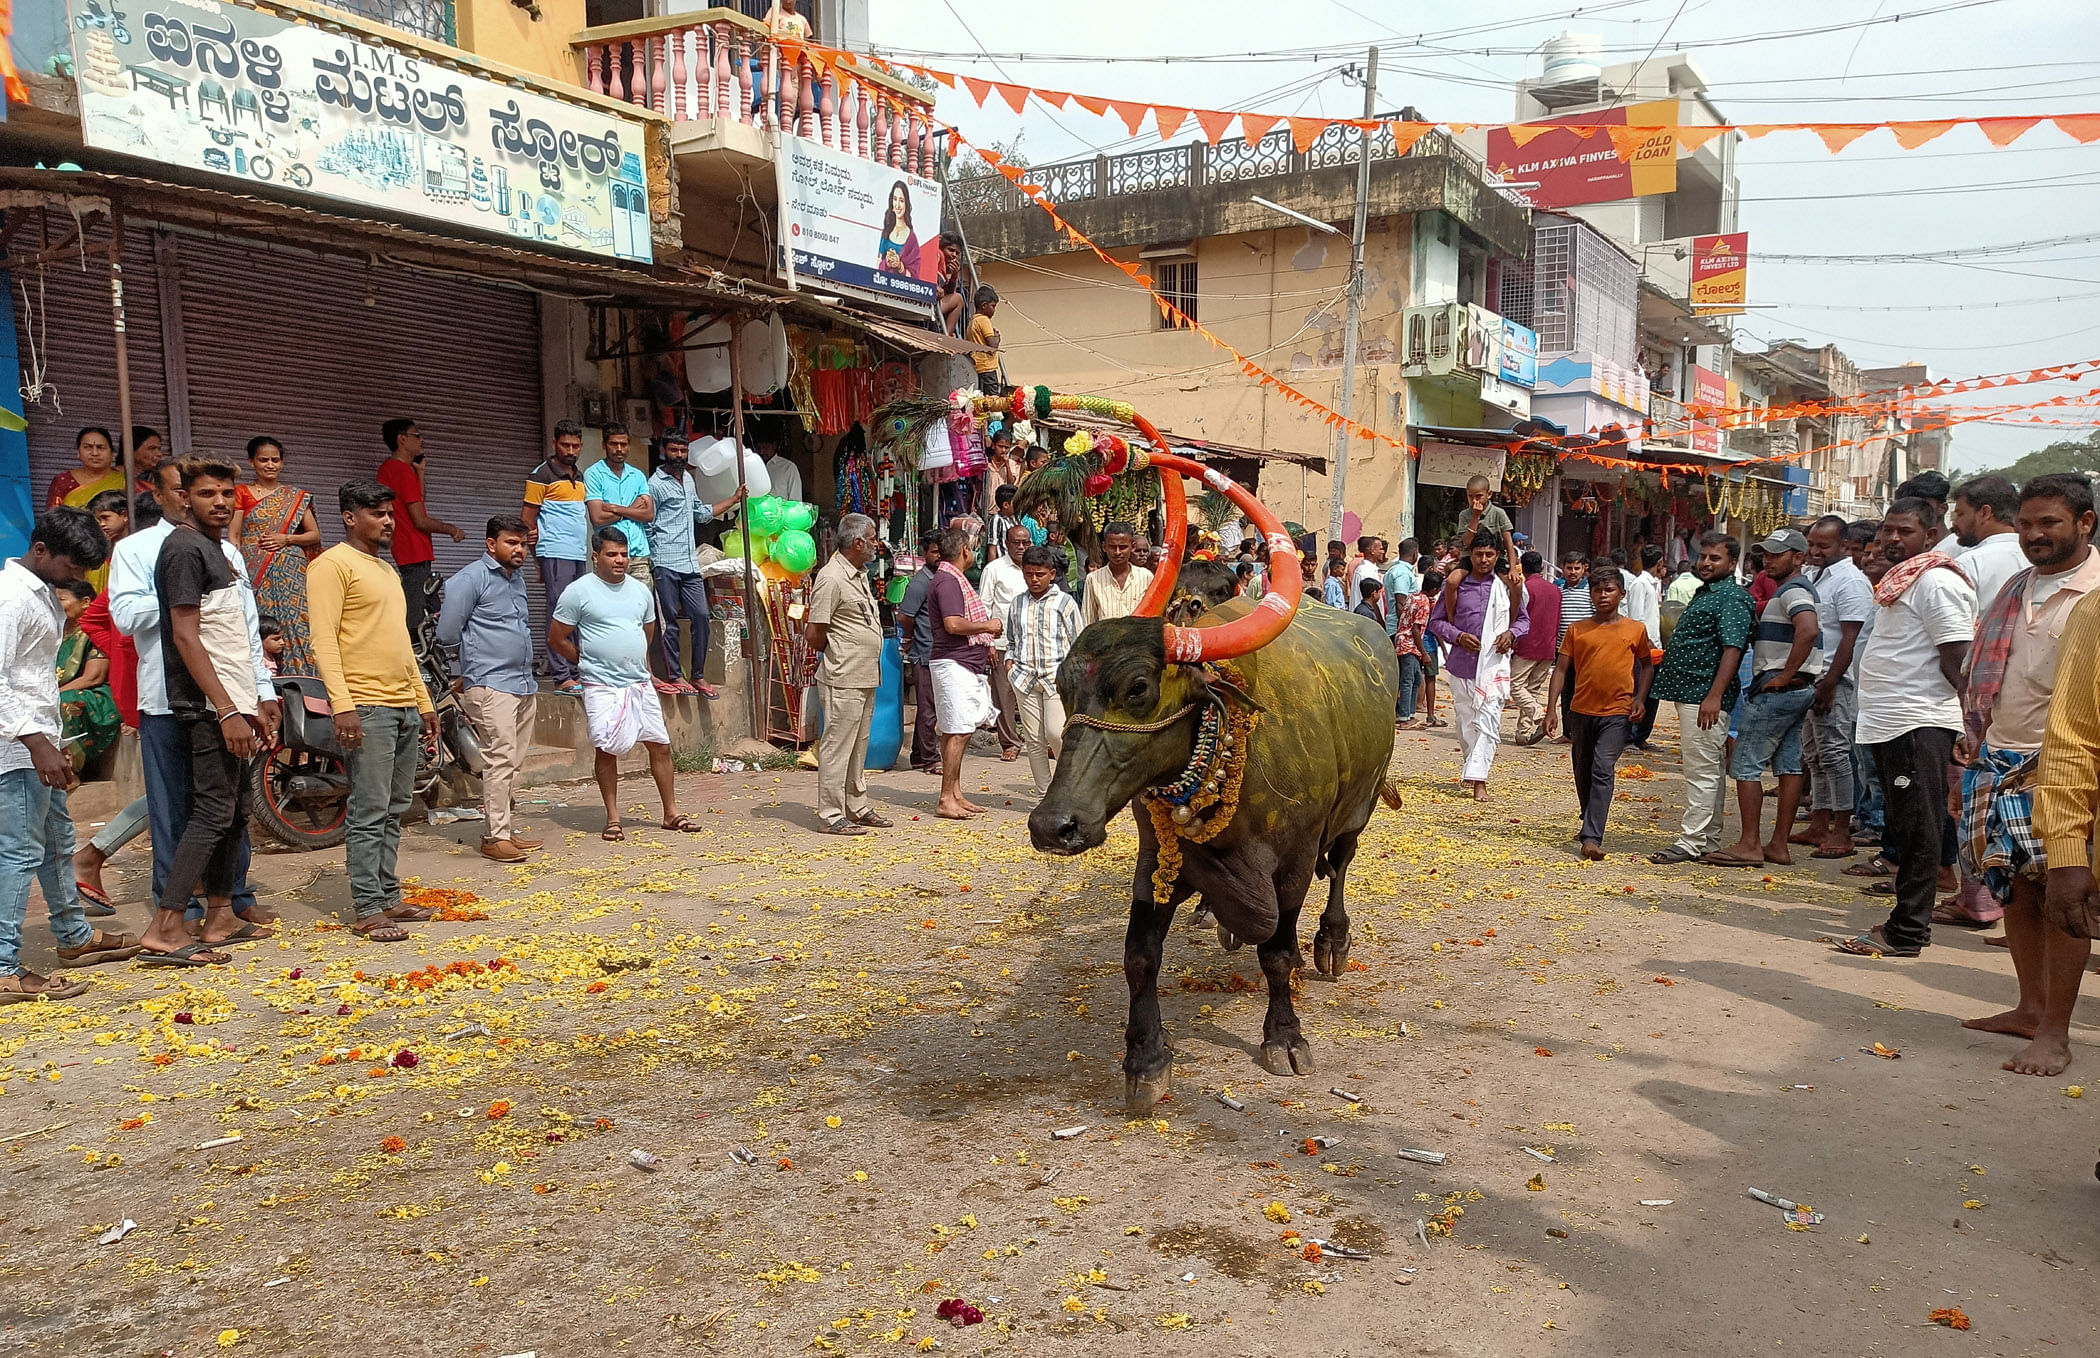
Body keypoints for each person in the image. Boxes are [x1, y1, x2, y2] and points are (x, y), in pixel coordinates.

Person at [1953, 476, 2100, 1074]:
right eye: (2028, 524)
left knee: (2065, 894)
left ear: (2085, 524)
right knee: (2014, 885)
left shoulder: (2095, 593)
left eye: (2050, 524)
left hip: (2063, 763)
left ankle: (2057, 1033)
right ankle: (2029, 1006)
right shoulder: (2016, 587)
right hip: (1998, 756)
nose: (2035, 536)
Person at [110, 459, 279, 948]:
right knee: (207, 810)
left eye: (227, 493)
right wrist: (225, 709)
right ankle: (166, 925)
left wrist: (258, 697)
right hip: (205, 705)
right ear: (185, 497)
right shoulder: (182, 549)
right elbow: (185, 634)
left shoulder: (220, 549)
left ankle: (221, 914)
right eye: (207, 494)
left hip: (235, 697)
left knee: (235, 808)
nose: (221, 502)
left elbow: (239, 632)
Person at [1, 508, 137, 1001]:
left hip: (39, 745)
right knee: (18, 854)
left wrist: (52, 742)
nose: (77, 580)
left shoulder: (39, 594)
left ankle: (74, 937)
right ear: (41, 551)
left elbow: (31, 678)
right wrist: (38, 743)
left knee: (58, 842)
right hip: (15, 751)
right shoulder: (10, 597)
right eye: (72, 569)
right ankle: (3, 965)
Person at [1838, 498, 1978, 958]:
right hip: (1890, 721)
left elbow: (1957, 657)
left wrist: (1968, 726)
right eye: (1888, 531)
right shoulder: (1901, 583)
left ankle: (1907, 931)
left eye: (1905, 531)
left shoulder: (1935, 581)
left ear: (1931, 536)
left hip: (1919, 721)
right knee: (1903, 823)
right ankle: (1905, 922)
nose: (1893, 539)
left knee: (1919, 825)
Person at [308, 479, 439, 942]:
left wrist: (423, 701)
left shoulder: (386, 571)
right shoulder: (332, 565)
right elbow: (323, 640)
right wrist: (341, 705)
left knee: (395, 807)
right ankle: (367, 908)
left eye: (390, 513)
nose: (388, 521)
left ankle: (388, 896)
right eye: (378, 514)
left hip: (403, 704)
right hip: (365, 706)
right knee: (368, 809)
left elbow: (402, 643)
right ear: (350, 517)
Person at [550, 527, 700, 842]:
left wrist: (634, 660)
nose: (620, 560)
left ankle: (671, 813)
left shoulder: (641, 591)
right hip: (601, 686)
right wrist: (585, 661)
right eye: (611, 554)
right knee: (606, 749)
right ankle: (613, 818)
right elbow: (557, 637)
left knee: (660, 745)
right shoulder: (578, 592)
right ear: (595, 557)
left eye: (623, 554)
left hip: (639, 683)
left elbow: (646, 632)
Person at [1705, 528, 1822, 868]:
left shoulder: (1794, 591)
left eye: (1777, 554)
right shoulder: (1792, 590)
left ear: (1798, 558)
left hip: (1780, 686)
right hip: (1799, 688)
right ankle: (1777, 845)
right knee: (1788, 765)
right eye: (1766, 554)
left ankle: (1749, 843)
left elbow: (1809, 629)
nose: (1768, 560)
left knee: (1745, 765)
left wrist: (1783, 675)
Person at [437, 517, 546, 863]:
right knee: (499, 760)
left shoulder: (516, 580)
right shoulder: (470, 579)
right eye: (511, 543)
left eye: (523, 544)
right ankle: (494, 837)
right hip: (490, 682)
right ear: (490, 544)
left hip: (523, 682)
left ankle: (504, 829)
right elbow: (448, 633)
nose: (519, 550)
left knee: (512, 762)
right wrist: (464, 669)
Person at [1646, 532, 1755, 865]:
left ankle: (1691, 841)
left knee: (1701, 771)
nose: (1706, 563)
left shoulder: (1732, 597)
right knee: (1709, 771)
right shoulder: (1705, 592)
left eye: (1715, 558)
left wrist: (1715, 696)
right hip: (1692, 692)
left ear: (1733, 563)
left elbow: (1732, 649)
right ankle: (1707, 838)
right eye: (1704, 557)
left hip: (1704, 696)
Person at [1544, 559, 1651, 860]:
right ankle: (1588, 813)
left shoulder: (1635, 630)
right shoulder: (1578, 631)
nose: (1603, 595)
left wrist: (1640, 698)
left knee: (1603, 768)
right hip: (1580, 711)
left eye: (1609, 590)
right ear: (1590, 594)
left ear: (1621, 594)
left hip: (1617, 712)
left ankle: (1592, 836)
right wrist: (1552, 708)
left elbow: (1646, 664)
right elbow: (1561, 670)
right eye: (1597, 590)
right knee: (1583, 768)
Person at [1790, 515, 1875, 859]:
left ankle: (1842, 828)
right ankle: (1818, 821)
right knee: (1814, 754)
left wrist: (1830, 682)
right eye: (1811, 544)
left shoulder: (1851, 581)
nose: (1814, 551)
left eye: (1823, 546)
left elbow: (1850, 637)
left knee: (1837, 754)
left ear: (1843, 545)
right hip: (1810, 677)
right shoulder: (1813, 575)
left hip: (1833, 681)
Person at [804, 514, 888, 835]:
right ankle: (831, 813)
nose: (875, 544)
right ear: (857, 543)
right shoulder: (831, 577)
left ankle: (857, 804)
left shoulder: (858, 574)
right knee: (837, 746)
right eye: (872, 538)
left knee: (859, 745)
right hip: (843, 676)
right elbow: (815, 634)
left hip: (864, 675)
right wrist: (840, 653)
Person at [1429, 532, 1529, 801]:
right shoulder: (1456, 586)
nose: (1484, 560)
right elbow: (1436, 622)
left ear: (1497, 556)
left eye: (1489, 554)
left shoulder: (1507, 586)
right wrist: (1458, 636)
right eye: (1478, 554)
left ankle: (1479, 780)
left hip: (1494, 667)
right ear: (1470, 556)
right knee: (1466, 724)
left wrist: (1511, 634)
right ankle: (1471, 766)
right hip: (1461, 665)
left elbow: (1523, 621)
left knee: (1488, 723)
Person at [645, 433, 742, 699]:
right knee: (670, 622)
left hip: (689, 564)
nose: (679, 455)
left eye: (683, 450)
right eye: (674, 450)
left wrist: (733, 500)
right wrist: (655, 556)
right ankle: (675, 675)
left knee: (701, 616)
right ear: (664, 451)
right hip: (665, 562)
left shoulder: (688, 479)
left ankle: (697, 674)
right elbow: (647, 523)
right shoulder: (654, 484)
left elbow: (700, 512)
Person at [228, 436, 320, 676]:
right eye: (263, 460)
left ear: (282, 463)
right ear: (251, 462)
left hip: (291, 570)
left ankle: (307, 677)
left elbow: (314, 535)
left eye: (275, 460)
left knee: (299, 624)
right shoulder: (241, 492)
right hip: (256, 571)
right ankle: (270, 677)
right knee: (264, 624)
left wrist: (286, 539)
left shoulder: (294, 496)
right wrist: (236, 568)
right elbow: (234, 535)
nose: (270, 465)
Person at [928, 525, 1002, 819]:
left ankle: (955, 792)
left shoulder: (951, 578)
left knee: (957, 730)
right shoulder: (948, 581)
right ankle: (947, 797)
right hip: (953, 662)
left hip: (961, 663)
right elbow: (954, 625)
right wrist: (989, 626)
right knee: (957, 731)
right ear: (965, 551)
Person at [1006, 543, 1081, 797]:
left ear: (1051, 574)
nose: (1034, 579)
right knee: (1034, 740)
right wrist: (1009, 661)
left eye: (1040, 574)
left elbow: (1077, 641)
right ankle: (1043, 793)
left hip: (1056, 678)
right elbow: (1013, 640)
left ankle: (1067, 786)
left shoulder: (1065, 603)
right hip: (1024, 678)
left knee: (1056, 732)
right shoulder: (1017, 604)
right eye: (1029, 574)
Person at [376, 419, 464, 637]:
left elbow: (418, 500)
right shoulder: (400, 470)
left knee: (429, 608)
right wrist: (451, 529)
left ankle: (433, 659)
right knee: (416, 616)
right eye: (417, 435)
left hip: (408, 550)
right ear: (402, 439)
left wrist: (420, 471)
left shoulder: (393, 469)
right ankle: (420, 661)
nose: (421, 439)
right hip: (414, 550)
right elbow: (420, 520)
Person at [523, 420, 592, 694]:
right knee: (559, 611)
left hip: (577, 554)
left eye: (576, 445)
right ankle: (561, 675)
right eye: (565, 444)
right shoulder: (541, 475)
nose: (571, 450)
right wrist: (537, 561)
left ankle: (574, 671)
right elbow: (527, 520)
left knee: (576, 612)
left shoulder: (580, 475)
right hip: (554, 552)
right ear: (554, 443)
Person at [977, 521, 1032, 764]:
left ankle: (1041, 742)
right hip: (1001, 645)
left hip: (1032, 645)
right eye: (1016, 543)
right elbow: (984, 607)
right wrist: (987, 642)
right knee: (1004, 696)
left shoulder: (1036, 568)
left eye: (1025, 542)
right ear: (1006, 544)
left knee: (1033, 696)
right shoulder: (994, 569)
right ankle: (1010, 743)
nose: (1021, 547)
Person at [56, 578, 119, 771]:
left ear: (85, 602)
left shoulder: (94, 631)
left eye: (62, 599)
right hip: (65, 690)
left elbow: (93, 677)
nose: (56, 605)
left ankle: (70, 771)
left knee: (65, 703)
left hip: (97, 694)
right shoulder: (56, 633)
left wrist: (53, 695)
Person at [897, 532, 945, 774]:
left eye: (942, 551)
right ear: (925, 553)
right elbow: (904, 616)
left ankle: (919, 755)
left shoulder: (942, 578)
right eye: (935, 552)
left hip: (938, 652)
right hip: (925, 652)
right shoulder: (920, 582)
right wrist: (911, 636)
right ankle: (930, 759)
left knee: (930, 708)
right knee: (928, 710)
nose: (939, 556)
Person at [1508, 551, 1562, 746]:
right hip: (1548, 645)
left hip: (1527, 643)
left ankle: (1538, 714)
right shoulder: (1556, 590)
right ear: (1542, 567)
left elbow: (1516, 616)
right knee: (1533, 688)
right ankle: (1522, 733)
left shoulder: (1523, 588)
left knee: (1514, 685)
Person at [1951, 475, 2024, 611]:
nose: (1955, 523)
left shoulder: (1969, 564)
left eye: (1960, 514)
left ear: (1985, 513)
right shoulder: (2036, 557)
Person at [1553, 550, 1592, 742]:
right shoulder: (1558, 589)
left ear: (1584, 569)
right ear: (1563, 569)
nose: (1573, 572)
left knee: (1583, 692)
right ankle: (1567, 732)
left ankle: (1582, 732)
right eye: (1569, 568)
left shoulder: (1590, 591)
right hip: (1563, 649)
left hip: (1586, 651)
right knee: (1566, 691)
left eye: (1577, 568)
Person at [1083, 521, 1154, 625]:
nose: (1117, 552)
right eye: (1112, 547)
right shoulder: (1093, 579)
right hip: (1106, 640)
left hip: (1138, 640)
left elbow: (1153, 616)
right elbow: (1087, 621)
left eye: (1123, 547)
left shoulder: (1146, 577)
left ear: (1132, 546)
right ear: (1104, 547)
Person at [47, 427, 126, 510]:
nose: (95, 453)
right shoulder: (64, 481)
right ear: (78, 452)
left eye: (101, 447)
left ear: (112, 453)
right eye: (87, 447)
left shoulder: (125, 481)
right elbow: (53, 517)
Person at [1395, 569, 1434, 730]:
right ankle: (1404, 717)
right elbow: (1416, 630)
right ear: (1434, 590)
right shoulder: (1424, 603)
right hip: (1409, 644)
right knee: (1408, 680)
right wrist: (1424, 653)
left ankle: (1409, 714)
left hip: (1404, 641)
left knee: (1417, 679)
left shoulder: (1413, 596)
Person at [1459, 476, 1518, 572]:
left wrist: (1513, 568)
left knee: (1514, 584)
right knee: (1452, 580)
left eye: (1478, 496)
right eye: (1470, 496)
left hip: (1496, 559)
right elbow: (1466, 542)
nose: (1474, 501)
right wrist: (1475, 517)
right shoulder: (1464, 515)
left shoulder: (1498, 513)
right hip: (1469, 558)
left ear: (1489, 494)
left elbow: (1508, 543)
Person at [1897, 470, 1958, 556]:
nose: (1913, 513)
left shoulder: (1958, 551)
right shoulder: (1906, 551)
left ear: (1942, 508)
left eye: (1922, 506)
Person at [877, 180, 923, 277]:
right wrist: (887, 262)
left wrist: (899, 266)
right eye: (895, 199)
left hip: (900, 289)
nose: (897, 205)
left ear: (906, 204)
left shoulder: (912, 238)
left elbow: (914, 276)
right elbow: (878, 263)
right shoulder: (887, 231)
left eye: (901, 201)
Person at [967, 286, 1003, 394]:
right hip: (987, 368)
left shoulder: (972, 323)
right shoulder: (984, 320)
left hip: (977, 367)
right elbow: (993, 346)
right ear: (984, 305)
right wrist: (997, 337)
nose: (994, 310)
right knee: (993, 401)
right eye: (993, 306)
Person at [936, 230, 969, 335]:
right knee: (958, 299)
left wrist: (954, 275)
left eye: (957, 253)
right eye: (951, 250)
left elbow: (949, 293)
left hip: (933, 303)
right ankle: (947, 336)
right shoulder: (938, 255)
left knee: (957, 297)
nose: (954, 255)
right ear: (942, 248)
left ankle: (947, 334)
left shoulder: (944, 266)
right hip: (924, 301)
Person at [763, 439, 804, 506]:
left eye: (765, 448)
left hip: (782, 514)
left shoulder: (788, 467)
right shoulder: (753, 467)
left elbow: (795, 500)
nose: (762, 452)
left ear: (774, 446)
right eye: (758, 448)